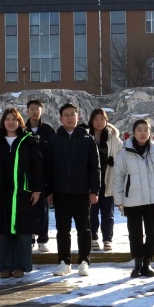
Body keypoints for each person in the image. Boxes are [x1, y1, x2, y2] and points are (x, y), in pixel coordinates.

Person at [0, 108, 44, 278]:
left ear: (19, 122)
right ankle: (5, 267)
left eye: (14, 119)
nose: (11, 122)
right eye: (7, 119)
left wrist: (37, 190)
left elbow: (37, 166)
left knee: (23, 232)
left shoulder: (28, 140)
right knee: (5, 232)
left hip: (23, 192)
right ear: (3, 121)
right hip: (2, 191)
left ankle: (21, 267)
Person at [46, 103, 100, 277]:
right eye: (66, 115)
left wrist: (94, 190)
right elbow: (49, 167)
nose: (70, 117)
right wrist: (48, 190)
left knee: (84, 228)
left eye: (72, 114)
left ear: (78, 117)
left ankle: (84, 261)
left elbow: (95, 167)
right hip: (61, 192)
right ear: (60, 118)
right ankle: (64, 262)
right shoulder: (54, 140)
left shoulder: (87, 139)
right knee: (62, 230)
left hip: (82, 192)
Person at [113, 118, 154, 278]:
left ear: (150, 132)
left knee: (153, 233)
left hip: (153, 199)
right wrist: (119, 200)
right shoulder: (124, 152)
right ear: (133, 132)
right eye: (139, 130)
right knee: (135, 233)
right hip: (132, 199)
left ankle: (147, 263)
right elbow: (118, 177)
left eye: (146, 130)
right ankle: (138, 263)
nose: (143, 133)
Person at [88, 108, 122, 252]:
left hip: (108, 180)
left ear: (106, 120)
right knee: (92, 212)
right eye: (96, 119)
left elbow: (122, 156)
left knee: (108, 213)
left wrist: (114, 162)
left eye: (102, 119)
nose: (99, 122)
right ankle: (93, 238)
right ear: (91, 121)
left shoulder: (113, 138)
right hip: (91, 182)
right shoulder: (86, 136)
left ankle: (107, 239)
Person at [24, 99, 56, 253]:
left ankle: (43, 239)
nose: (34, 111)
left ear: (42, 111)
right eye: (31, 108)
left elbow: (53, 157)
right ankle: (29, 238)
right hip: (26, 177)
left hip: (44, 176)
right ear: (27, 111)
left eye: (37, 108)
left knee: (43, 210)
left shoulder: (48, 130)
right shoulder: (22, 129)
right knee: (28, 209)